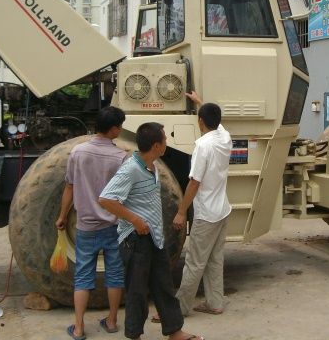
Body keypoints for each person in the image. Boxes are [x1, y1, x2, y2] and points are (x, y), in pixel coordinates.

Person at [99, 122, 203, 340]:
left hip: (154, 238)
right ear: (157, 145)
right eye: (165, 139)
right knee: (137, 292)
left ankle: (174, 331)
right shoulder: (131, 169)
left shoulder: (152, 166)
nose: (167, 142)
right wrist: (135, 220)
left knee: (164, 286)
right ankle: (134, 335)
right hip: (136, 240)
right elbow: (106, 198)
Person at [55, 106, 127, 340]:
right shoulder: (120, 157)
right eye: (120, 126)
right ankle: (113, 321)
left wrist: (63, 216)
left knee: (83, 277)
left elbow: (69, 187)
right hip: (113, 226)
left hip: (85, 226)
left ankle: (78, 328)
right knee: (115, 274)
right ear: (114, 129)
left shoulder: (78, 152)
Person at [173, 91, 232, 316]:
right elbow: (218, 123)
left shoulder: (202, 146)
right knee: (215, 260)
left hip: (206, 214)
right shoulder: (224, 137)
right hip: (222, 211)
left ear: (200, 121)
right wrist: (200, 102)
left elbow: (194, 182)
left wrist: (180, 211)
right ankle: (215, 303)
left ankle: (179, 309)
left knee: (195, 263)